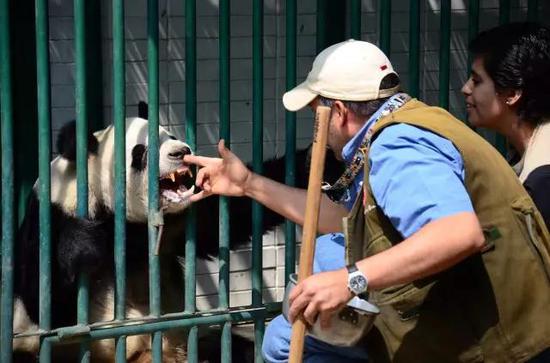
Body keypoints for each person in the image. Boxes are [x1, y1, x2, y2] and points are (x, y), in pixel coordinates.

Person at [185, 39, 550, 362]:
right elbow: (345, 218)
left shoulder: (398, 145)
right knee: (287, 338)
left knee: (294, 338)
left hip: (506, 345)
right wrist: (247, 183)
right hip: (492, 326)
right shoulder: (405, 123)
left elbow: (457, 233)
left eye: (317, 115)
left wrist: (350, 280)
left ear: (339, 112)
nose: (317, 129)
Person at [462, 22, 550, 230]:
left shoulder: (543, 180)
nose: (465, 89)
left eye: (476, 80)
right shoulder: (526, 157)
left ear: (511, 94)